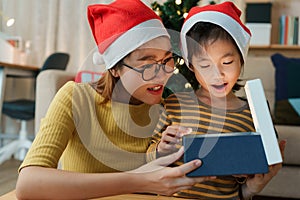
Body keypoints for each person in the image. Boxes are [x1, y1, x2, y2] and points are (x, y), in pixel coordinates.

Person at [15, 1, 214, 199]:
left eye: (167, 59)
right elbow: (28, 184)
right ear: (114, 68)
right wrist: (138, 179)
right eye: (147, 63)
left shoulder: (165, 109)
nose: (162, 75)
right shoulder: (77, 98)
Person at [146, 2, 286, 200]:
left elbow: (243, 189)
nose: (217, 74)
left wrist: (251, 187)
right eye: (205, 65)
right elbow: (146, 159)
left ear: (241, 60)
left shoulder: (252, 115)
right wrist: (160, 150)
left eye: (227, 63)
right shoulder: (174, 105)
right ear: (192, 67)